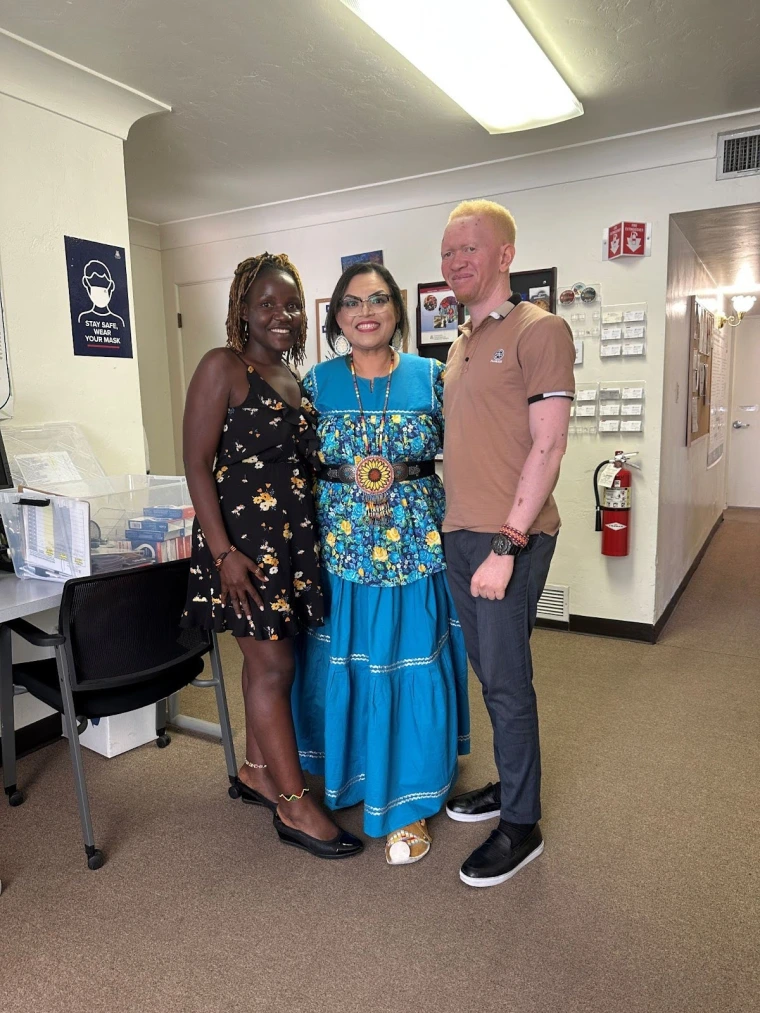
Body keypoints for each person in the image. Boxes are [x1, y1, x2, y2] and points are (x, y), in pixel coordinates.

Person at [182, 252, 362, 860]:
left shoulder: (289, 375)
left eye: (290, 304)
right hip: (244, 552)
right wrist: (223, 552)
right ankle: (293, 805)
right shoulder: (222, 367)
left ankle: (258, 769)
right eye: (267, 304)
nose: (280, 315)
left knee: (267, 664)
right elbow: (196, 465)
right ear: (243, 309)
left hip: (291, 544)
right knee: (274, 669)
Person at [292, 262, 469, 866]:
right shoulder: (313, 384)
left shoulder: (433, 375)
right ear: (336, 317)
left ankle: (408, 803)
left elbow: (471, 453)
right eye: (350, 303)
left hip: (414, 547)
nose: (364, 311)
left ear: (396, 310)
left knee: (405, 668)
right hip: (340, 549)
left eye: (377, 300)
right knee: (344, 666)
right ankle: (352, 778)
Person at [440, 199, 575, 888]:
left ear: (504, 254)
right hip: (461, 537)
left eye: (469, 247)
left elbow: (549, 444)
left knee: (508, 682)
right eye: (447, 252)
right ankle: (507, 784)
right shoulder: (461, 345)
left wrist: (507, 543)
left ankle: (522, 823)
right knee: (491, 674)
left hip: (507, 540)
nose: (456, 260)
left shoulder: (540, 328)